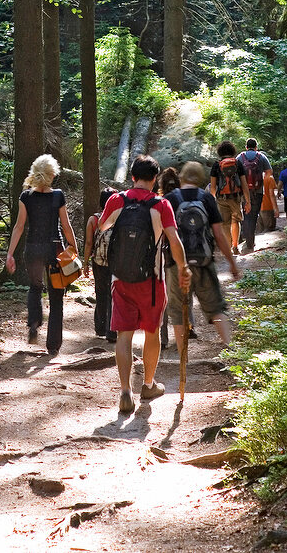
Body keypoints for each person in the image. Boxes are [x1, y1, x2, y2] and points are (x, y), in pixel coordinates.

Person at [98, 154, 191, 415]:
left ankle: (125, 390)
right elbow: (174, 240)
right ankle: (148, 384)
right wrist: (183, 268)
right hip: (153, 281)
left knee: (124, 335)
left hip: (121, 279)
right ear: (155, 180)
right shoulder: (160, 204)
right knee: (152, 333)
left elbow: (103, 225)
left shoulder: (117, 199)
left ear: (133, 177)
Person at [5, 154, 78, 356]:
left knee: (35, 287)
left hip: (32, 249)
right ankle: (53, 345)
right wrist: (74, 246)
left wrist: (10, 254)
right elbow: (65, 225)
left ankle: (33, 323)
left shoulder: (26, 197)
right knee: (56, 296)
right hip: (53, 250)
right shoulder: (58, 196)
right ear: (51, 174)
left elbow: (19, 227)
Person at [165, 161, 240, 347]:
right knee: (216, 307)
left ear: (181, 177)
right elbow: (219, 235)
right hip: (205, 262)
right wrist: (232, 262)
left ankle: (183, 356)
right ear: (200, 179)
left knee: (177, 312)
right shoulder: (207, 199)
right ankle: (230, 348)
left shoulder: (170, 199)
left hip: (177, 265)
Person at [156, 167, 195, 346]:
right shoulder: (186, 200)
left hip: (167, 255)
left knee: (165, 295)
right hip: (189, 252)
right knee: (186, 292)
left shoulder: (162, 202)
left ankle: (163, 338)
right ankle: (189, 326)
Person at [82, 187, 117, 343]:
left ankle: (100, 327)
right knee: (113, 295)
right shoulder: (119, 218)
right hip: (115, 262)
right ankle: (112, 330)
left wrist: (85, 263)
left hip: (98, 261)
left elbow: (89, 243)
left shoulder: (94, 219)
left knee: (100, 292)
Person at [209, 140, 251, 252]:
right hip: (236, 198)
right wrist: (248, 201)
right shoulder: (237, 163)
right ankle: (235, 245)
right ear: (232, 150)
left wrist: (212, 200)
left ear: (220, 151)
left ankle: (228, 248)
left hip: (221, 199)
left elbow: (212, 187)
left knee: (225, 224)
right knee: (235, 221)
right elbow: (244, 184)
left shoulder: (216, 165)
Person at [238, 139, 278, 253]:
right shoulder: (261, 157)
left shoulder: (240, 157)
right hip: (258, 191)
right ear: (256, 147)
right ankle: (251, 242)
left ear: (246, 147)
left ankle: (248, 242)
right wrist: (262, 181)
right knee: (254, 215)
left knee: (246, 215)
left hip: (244, 192)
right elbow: (269, 172)